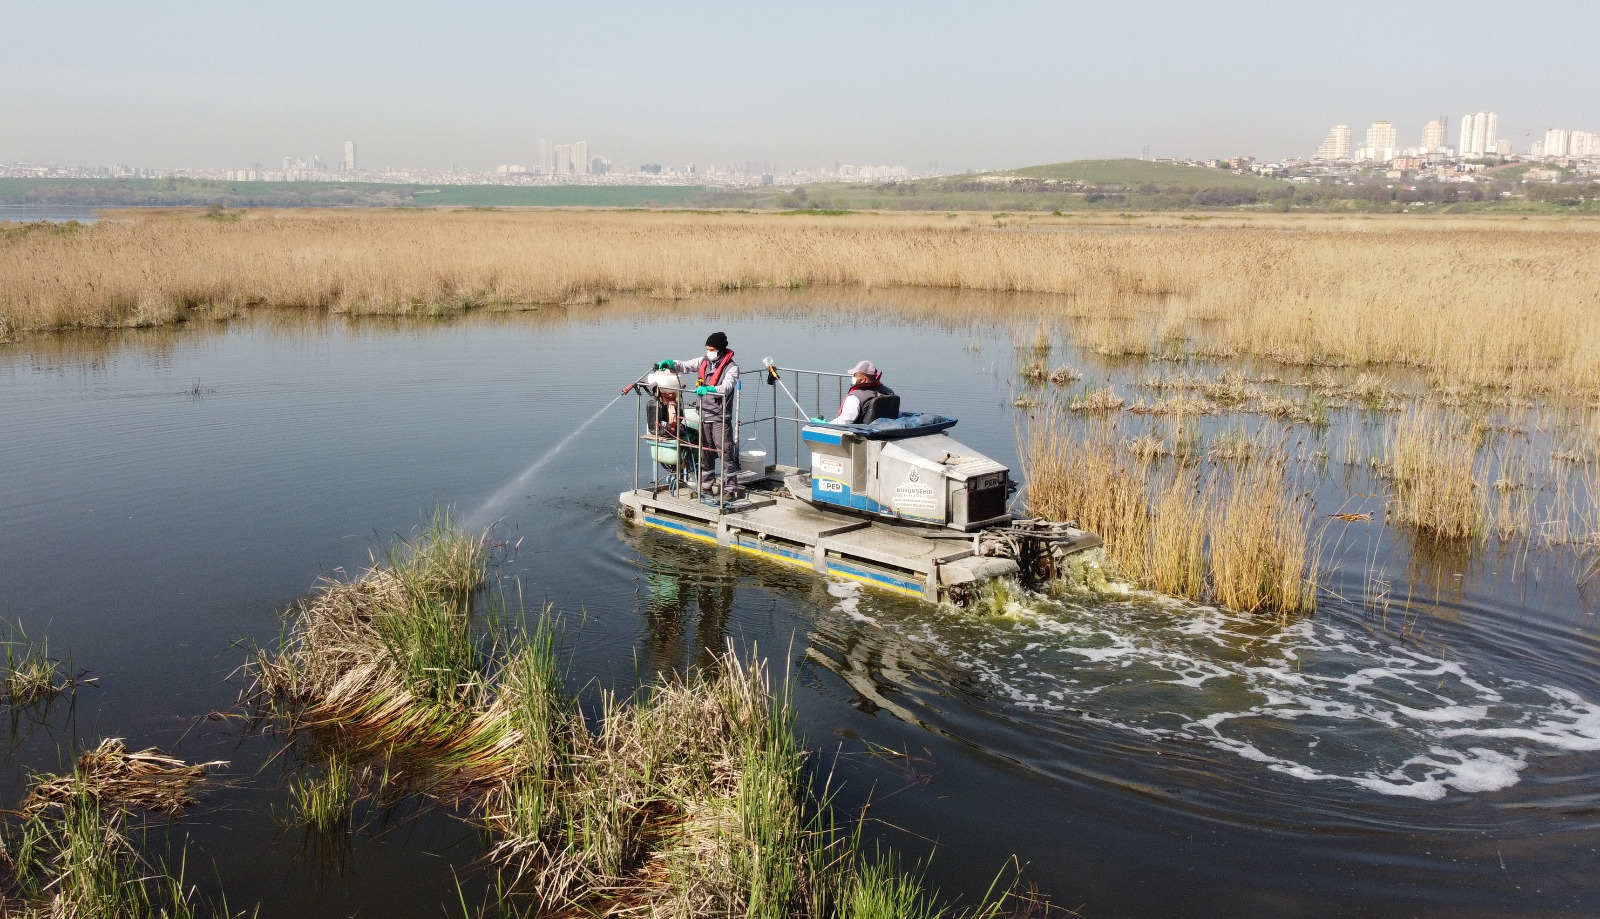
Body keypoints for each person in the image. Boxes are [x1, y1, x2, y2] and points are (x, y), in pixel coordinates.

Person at [656, 332, 741, 495]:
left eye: (712, 349)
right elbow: (685, 366)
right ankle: (706, 487)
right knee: (705, 453)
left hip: (719, 418)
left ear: (720, 350)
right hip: (703, 415)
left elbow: (727, 387)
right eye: (707, 349)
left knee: (725, 453)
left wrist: (710, 388)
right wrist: (670, 363)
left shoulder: (732, 368)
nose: (709, 352)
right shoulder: (704, 361)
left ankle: (730, 490)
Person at [829, 360, 896, 424]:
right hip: (885, 432)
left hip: (859, 434)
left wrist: (826, 424)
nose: (853, 377)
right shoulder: (889, 392)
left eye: (855, 375)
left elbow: (845, 421)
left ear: (863, 379)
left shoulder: (855, 397)